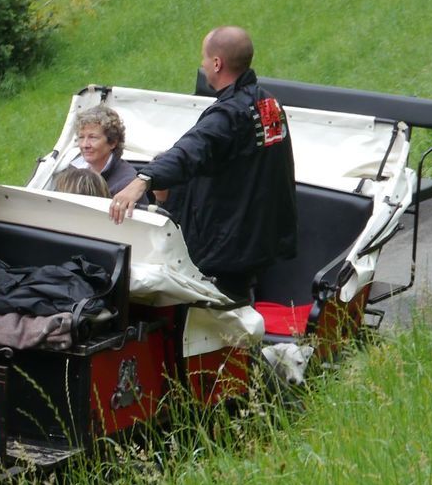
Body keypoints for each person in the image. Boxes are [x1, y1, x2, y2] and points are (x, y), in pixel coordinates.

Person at [108, 26, 297, 304]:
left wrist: (142, 180)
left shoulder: (228, 115)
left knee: (226, 314)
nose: (203, 64)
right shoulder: (268, 103)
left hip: (230, 244)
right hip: (259, 233)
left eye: (204, 58)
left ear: (217, 63)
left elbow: (190, 150)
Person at [66, 105, 138, 194]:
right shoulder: (71, 169)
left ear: (112, 142)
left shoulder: (127, 183)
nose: (85, 145)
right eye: (81, 137)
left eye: (93, 137)